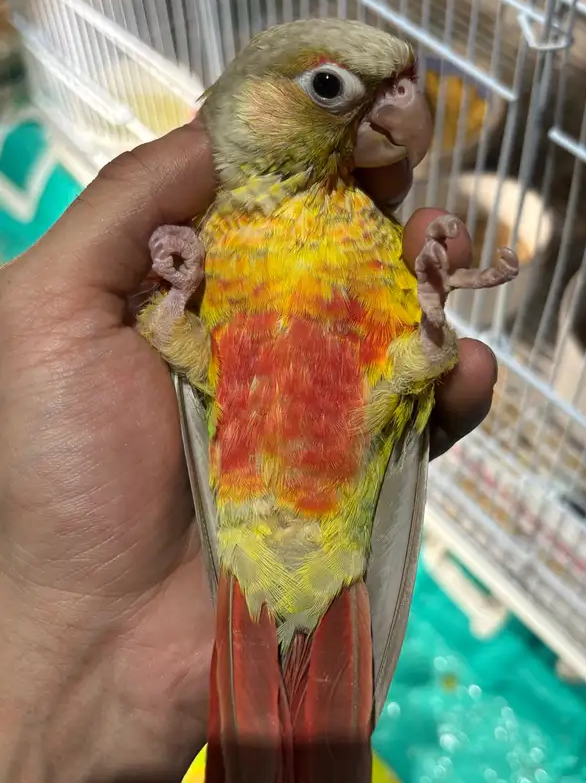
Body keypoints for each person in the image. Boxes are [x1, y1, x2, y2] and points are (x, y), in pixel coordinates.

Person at [0, 118, 498, 782]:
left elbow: (394, 393)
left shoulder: (373, 236)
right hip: (253, 524)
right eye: (329, 91)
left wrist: (428, 323)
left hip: (336, 509)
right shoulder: (222, 227)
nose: (399, 110)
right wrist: (174, 305)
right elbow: (206, 371)